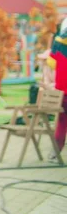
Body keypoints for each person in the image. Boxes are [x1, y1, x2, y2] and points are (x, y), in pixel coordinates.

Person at [46, 24, 67, 163]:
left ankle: (55, 152)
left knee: (61, 121)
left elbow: (51, 63)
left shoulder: (59, 41)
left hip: (62, 90)